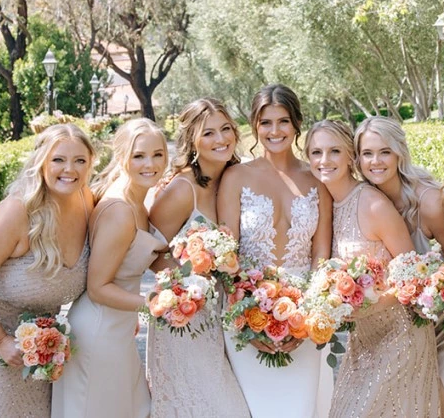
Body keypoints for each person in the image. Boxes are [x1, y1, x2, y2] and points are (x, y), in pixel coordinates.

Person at [0, 124, 96, 418]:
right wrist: (1, 340)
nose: (70, 169)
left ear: (90, 164)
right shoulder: (16, 212)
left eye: (79, 160)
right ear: (41, 162)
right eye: (58, 160)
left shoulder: (87, 202)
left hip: (40, 343)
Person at [306, 119, 441, 418]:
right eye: (316, 152)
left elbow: (414, 275)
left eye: (334, 151)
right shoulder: (328, 204)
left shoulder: (373, 205)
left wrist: (368, 305)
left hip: (400, 336)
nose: (324, 160)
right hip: (362, 340)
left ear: (350, 156)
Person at [355, 116, 444, 418]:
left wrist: (443, 298)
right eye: (367, 153)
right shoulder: (366, 198)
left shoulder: (428, 201)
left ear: (399, 153)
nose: (376, 161)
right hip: (412, 322)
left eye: (385, 152)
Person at [217, 84, 333, 418]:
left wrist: (308, 315)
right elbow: (226, 254)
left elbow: (320, 254)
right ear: (254, 125)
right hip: (245, 309)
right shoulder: (235, 177)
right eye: (265, 122)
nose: (274, 131)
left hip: (305, 312)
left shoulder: (317, 178)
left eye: (283, 121)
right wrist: (246, 318)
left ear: (296, 123)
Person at [52, 119, 168, 418]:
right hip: (99, 330)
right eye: (139, 155)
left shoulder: (137, 201)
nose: (151, 164)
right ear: (121, 156)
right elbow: (98, 287)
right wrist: (157, 304)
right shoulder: (120, 210)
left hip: (118, 327)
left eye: (158, 154)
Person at [145, 98, 250, 418]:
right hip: (188, 317)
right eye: (208, 133)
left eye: (226, 129)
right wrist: (190, 280)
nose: (221, 139)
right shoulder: (182, 189)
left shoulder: (239, 177)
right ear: (192, 140)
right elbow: (151, 253)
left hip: (229, 314)